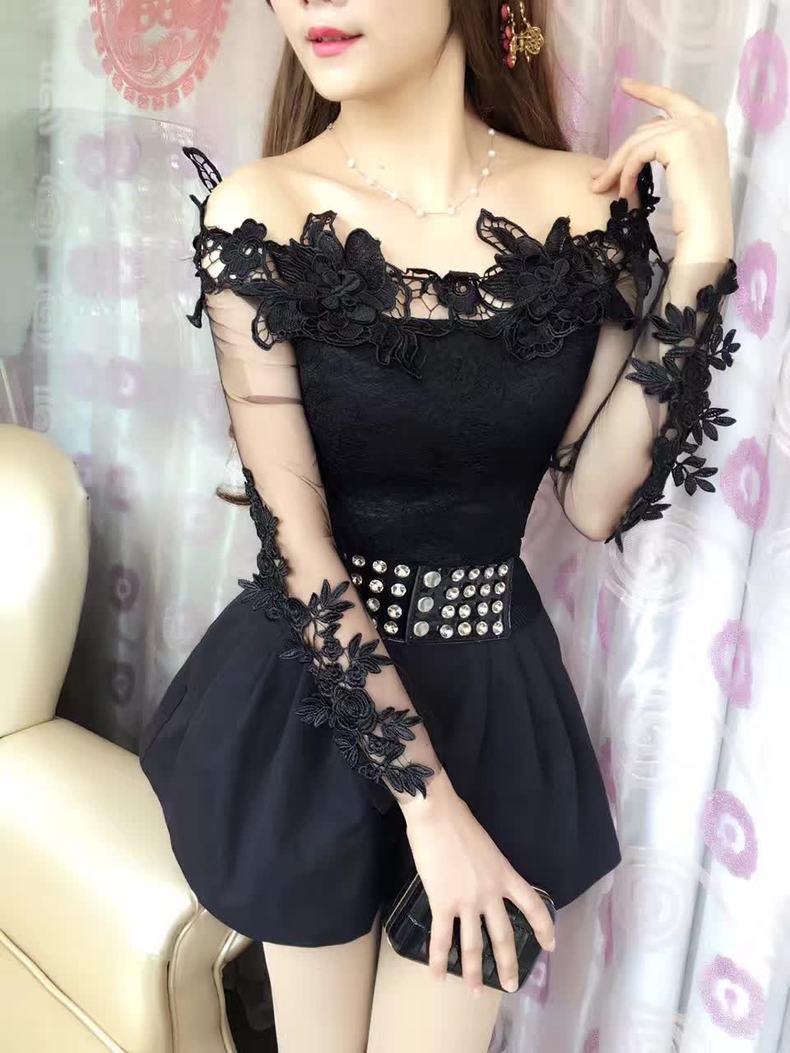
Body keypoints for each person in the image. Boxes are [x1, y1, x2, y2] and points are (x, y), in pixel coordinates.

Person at [138, 1, 740, 1049]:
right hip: (311, 694)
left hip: (493, 696)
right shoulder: (263, 209)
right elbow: (297, 540)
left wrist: (701, 255)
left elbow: (594, 498)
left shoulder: (587, 204)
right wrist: (431, 809)